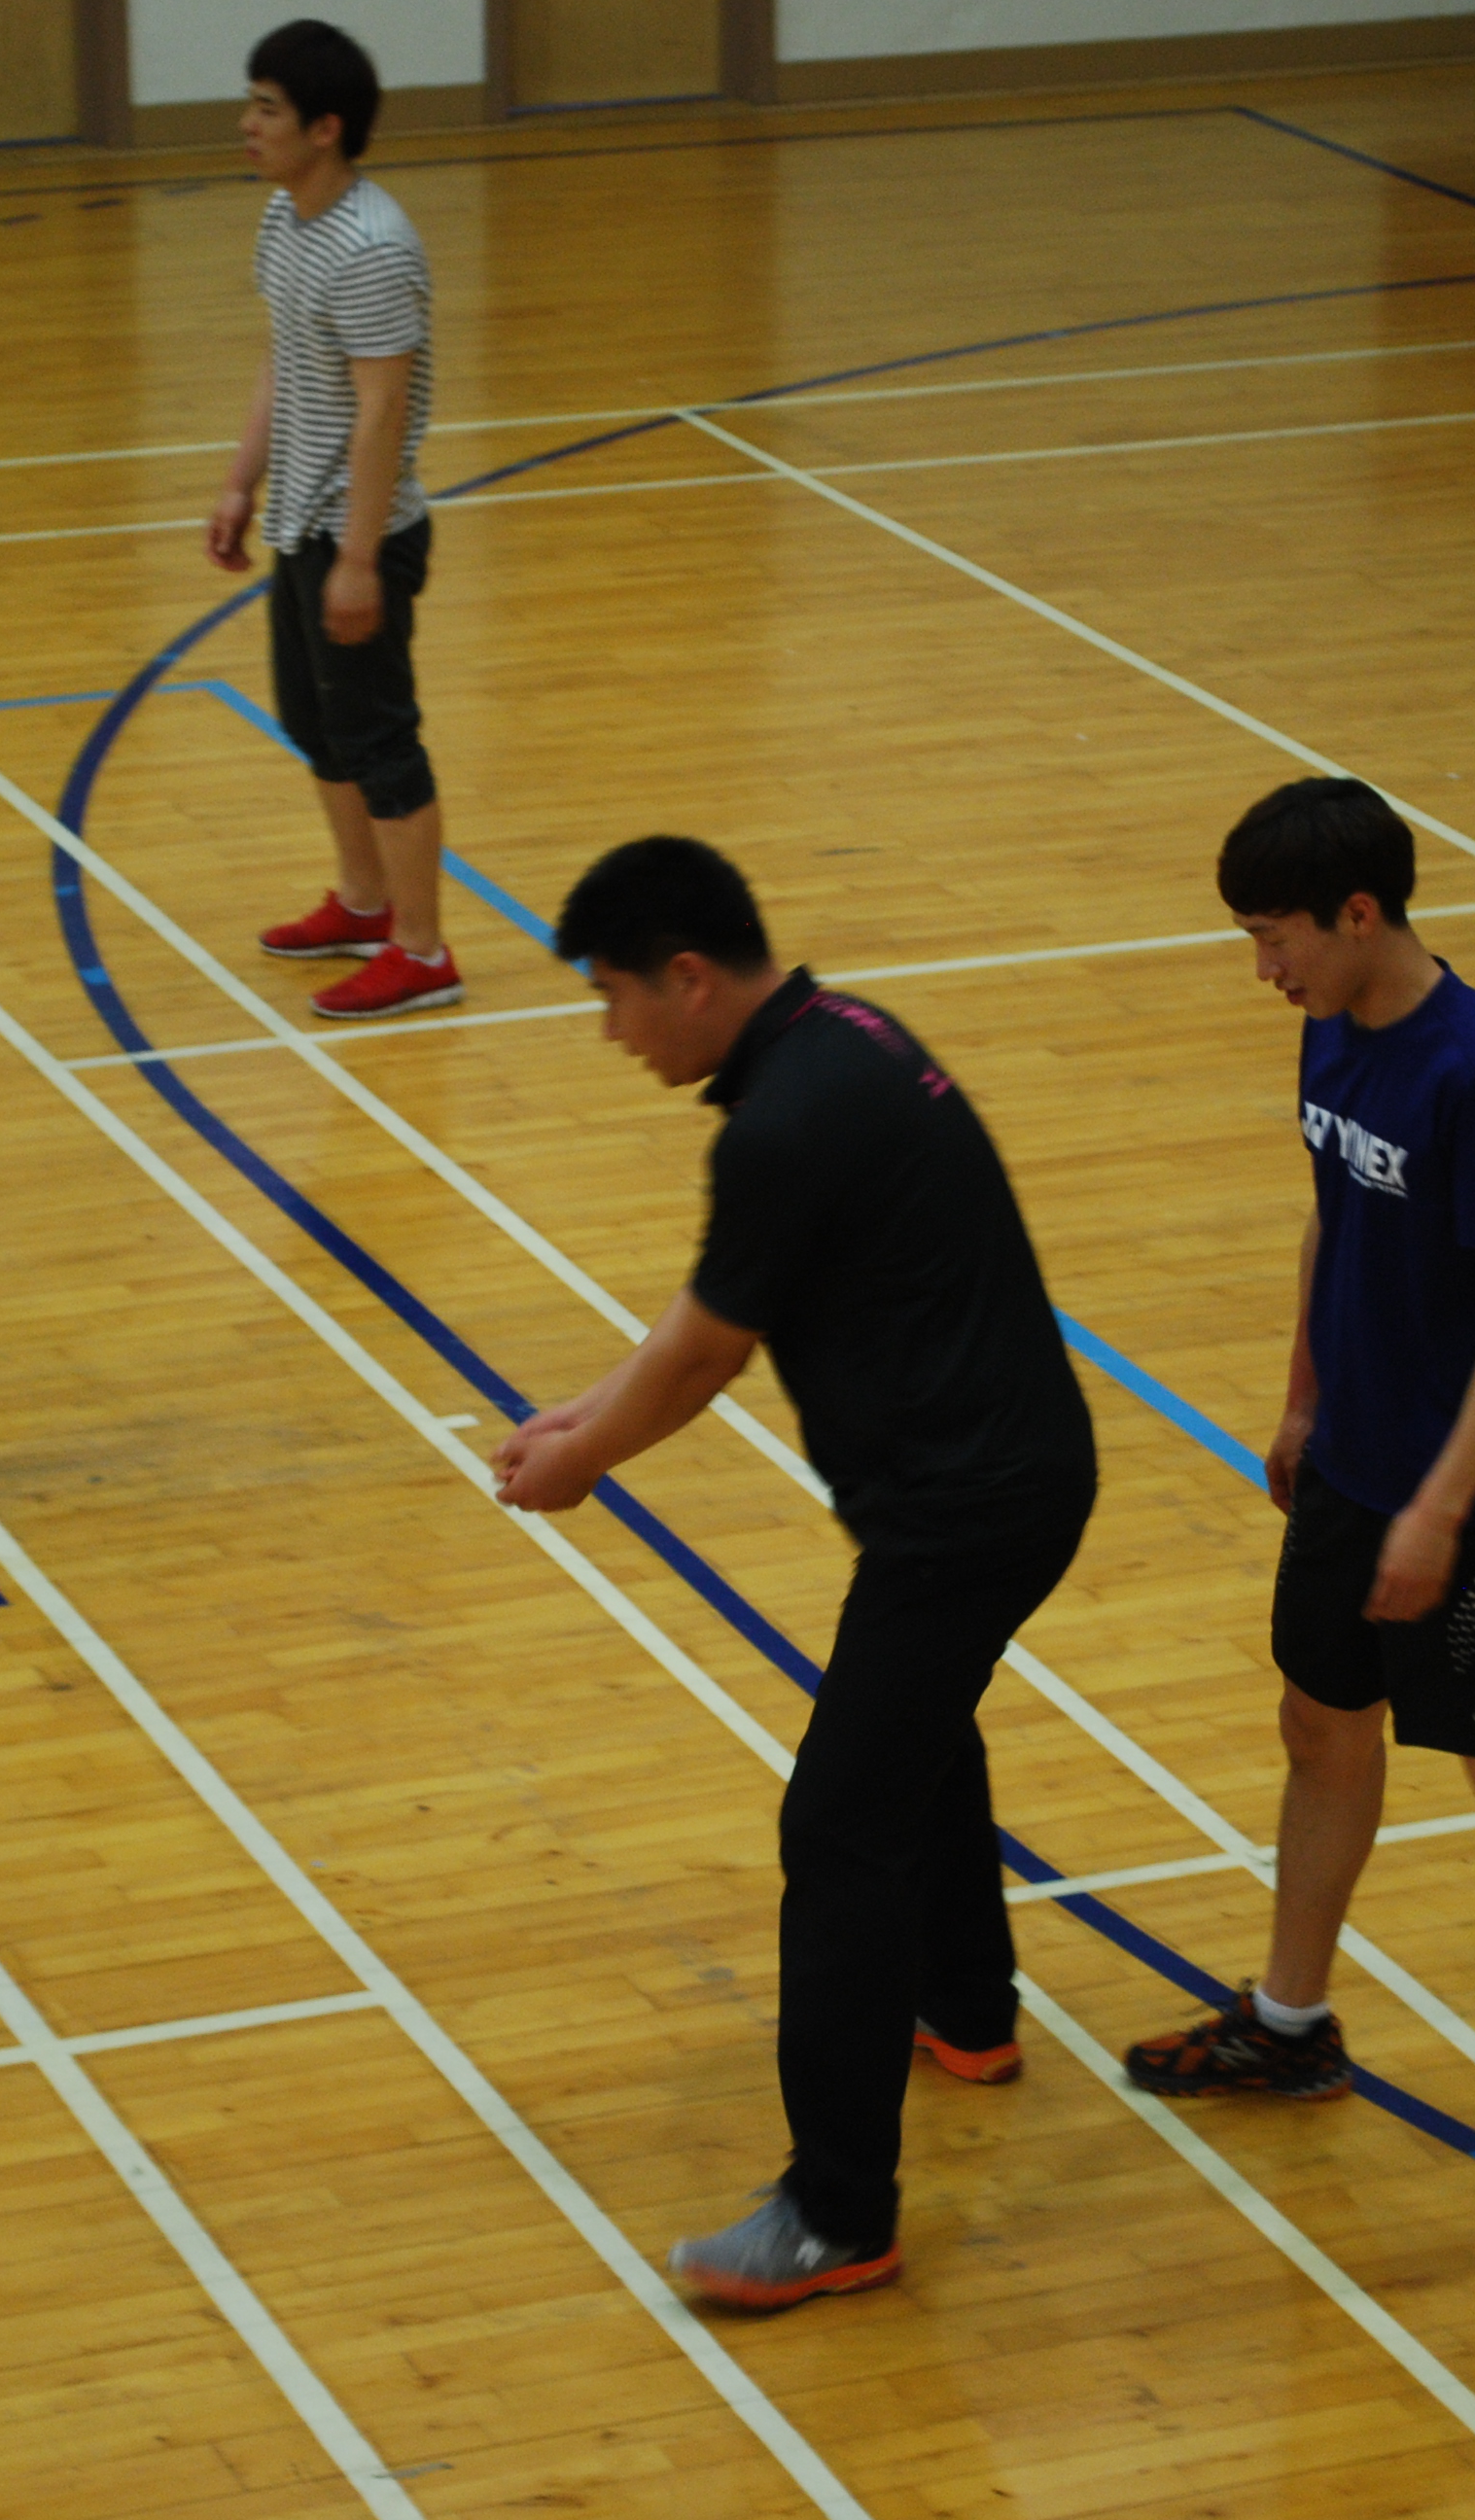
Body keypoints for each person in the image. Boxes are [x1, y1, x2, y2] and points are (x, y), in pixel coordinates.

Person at [493, 837, 1096, 2311]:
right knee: (914, 1733)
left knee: (836, 1830)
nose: (611, 1031)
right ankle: (966, 2009)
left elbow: (708, 1353)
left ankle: (838, 2214)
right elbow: (721, 1296)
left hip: (967, 1510)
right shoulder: (845, 1039)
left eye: (615, 995)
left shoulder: (783, 1120)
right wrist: (582, 1409)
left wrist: (583, 1462)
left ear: (690, 978)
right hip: (990, 1482)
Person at [1120, 779, 1475, 2275]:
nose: (1265, 970)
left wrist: (1440, 1510)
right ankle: (1290, 2025)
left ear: (1360, 913)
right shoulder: (1331, 1025)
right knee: (1321, 1727)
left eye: (1275, 939)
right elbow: (1331, 1208)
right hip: (1353, 1466)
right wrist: (1302, 1398)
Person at [206, 19, 462, 1018]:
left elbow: (381, 411)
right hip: (301, 525)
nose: (247, 124)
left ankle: (422, 952)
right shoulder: (285, 220)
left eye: (266, 109)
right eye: (251, 103)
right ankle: (364, 904)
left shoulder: (371, 248)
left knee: (380, 740)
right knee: (315, 723)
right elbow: (284, 358)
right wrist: (242, 484)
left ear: (325, 128)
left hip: (363, 535)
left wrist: (357, 559)